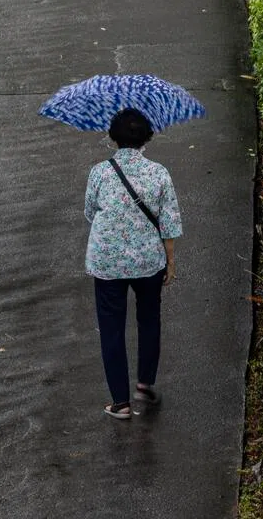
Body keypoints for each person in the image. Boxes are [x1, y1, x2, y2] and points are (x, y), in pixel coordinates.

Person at [84, 108, 182, 419]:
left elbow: (90, 212)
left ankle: (120, 403)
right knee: (149, 319)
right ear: (146, 138)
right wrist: (170, 262)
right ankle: (145, 384)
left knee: (111, 329)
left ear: (113, 138)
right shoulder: (159, 173)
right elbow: (169, 223)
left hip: (108, 263)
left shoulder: (100, 172)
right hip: (148, 262)